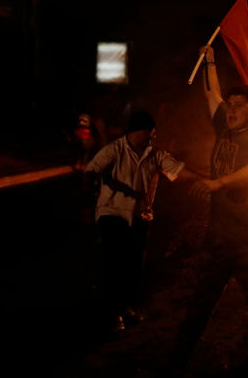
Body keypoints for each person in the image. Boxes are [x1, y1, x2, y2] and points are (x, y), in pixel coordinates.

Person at [168, 45, 248, 375]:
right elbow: (211, 94)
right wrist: (210, 59)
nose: (231, 109)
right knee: (202, 298)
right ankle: (178, 357)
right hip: (220, 235)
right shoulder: (224, 128)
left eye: (239, 105)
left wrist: (219, 183)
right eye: (230, 105)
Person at [84, 109, 201, 332]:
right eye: (151, 133)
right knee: (114, 263)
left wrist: (208, 182)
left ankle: (127, 307)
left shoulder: (156, 154)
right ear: (139, 131)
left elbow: (179, 171)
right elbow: (91, 171)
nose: (153, 137)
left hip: (139, 217)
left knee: (133, 265)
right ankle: (112, 314)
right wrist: (91, 197)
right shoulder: (113, 151)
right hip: (112, 214)